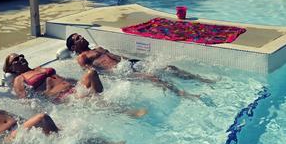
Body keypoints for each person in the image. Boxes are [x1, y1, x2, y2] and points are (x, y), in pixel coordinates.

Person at [66, 33, 213, 97]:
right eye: (78, 38)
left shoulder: (96, 48)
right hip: (120, 71)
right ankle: (180, 93)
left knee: (169, 68)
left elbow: (114, 56)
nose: (82, 37)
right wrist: (113, 77)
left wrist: (134, 60)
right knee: (153, 77)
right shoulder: (82, 57)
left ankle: (199, 79)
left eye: (81, 35)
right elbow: (91, 73)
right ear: (73, 47)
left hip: (129, 63)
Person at [3, 53, 103, 103]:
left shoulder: (38, 68)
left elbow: (61, 78)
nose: (21, 58)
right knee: (98, 102)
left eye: (21, 56)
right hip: (64, 96)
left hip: (74, 88)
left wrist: (77, 82)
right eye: (16, 59)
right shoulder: (19, 79)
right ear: (11, 68)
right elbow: (25, 100)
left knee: (92, 73)